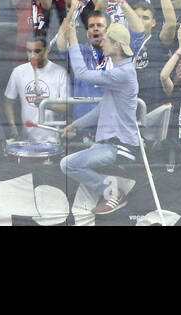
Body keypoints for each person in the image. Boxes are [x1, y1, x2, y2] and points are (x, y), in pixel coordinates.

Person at [58, 20, 139, 215]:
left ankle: (112, 193)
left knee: (67, 164)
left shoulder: (123, 74)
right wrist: (75, 125)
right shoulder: (120, 72)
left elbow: (81, 72)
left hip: (118, 146)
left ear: (117, 46)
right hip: (108, 143)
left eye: (106, 40)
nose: (101, 42)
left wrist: (73, 39)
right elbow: (102, 109)